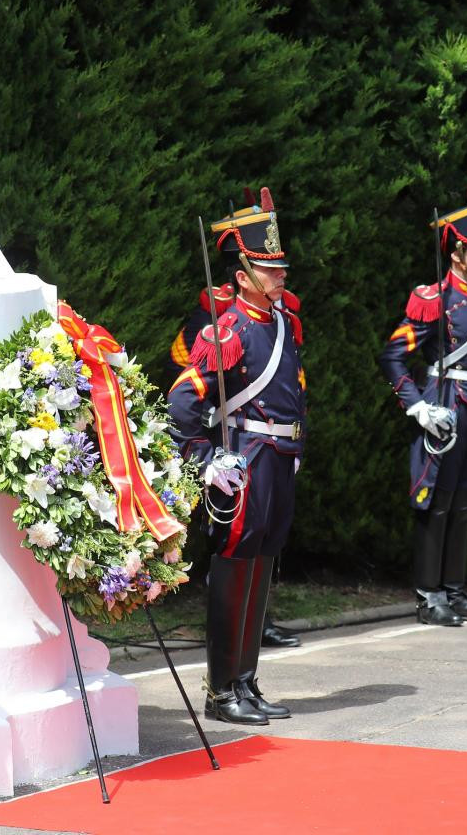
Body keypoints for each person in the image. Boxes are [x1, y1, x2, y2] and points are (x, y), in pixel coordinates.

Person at [168, 188, 305, 725]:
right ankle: (220, 690)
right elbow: (183, 401)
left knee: (261, 568)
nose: (280, 276)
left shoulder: (283, 324)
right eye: (269, 269)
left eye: (281, 267)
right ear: (242, 274)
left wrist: (297, 445)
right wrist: (206, 458)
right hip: (244, 457)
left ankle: (246, 681)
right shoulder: (227, 330)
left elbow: (295, 390)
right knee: (233, 569)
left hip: (278, 455)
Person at [379, 183, 467, 627]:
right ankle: (429, 594)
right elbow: (394, 356)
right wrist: (416, 406)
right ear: (456, 253)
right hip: (445, 406)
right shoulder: (435, 299)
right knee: (437, 501)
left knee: (465, 501)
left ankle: (455, 589)